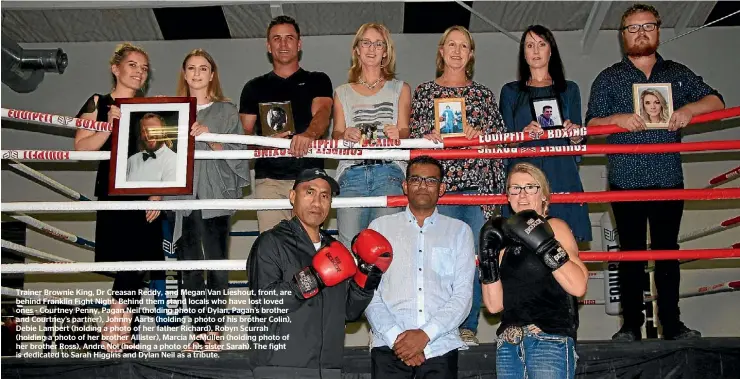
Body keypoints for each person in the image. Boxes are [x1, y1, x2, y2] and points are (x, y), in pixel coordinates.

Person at [585, 3, 724, 341]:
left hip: (668, 179)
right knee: (631, 256)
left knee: (667, 255)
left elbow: (717, 102)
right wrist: (616, 120)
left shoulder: (677, 73)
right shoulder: (609, 78)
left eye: (647, 25)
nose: (641, 32)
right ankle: (631, 326)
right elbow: (590, 125)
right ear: (623, 36)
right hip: (626, 180)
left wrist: (689, 109)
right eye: (633, 27)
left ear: (658, 30)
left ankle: (672, 325)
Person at [409, 25, 506, 346]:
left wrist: (483, 136)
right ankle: (438, 328)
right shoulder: (424, 93)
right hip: (440, 190)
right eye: (450, 44)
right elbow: (411, 135)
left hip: (478, 188)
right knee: (439, 261)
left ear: (471, 54)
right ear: (440, 51)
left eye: (463, 46)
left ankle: (468, 327)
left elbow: (501, 139)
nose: (456, 50)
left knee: (477, 260)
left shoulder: (483, 95)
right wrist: (427, 136)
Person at [246, 168, 390, 377]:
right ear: (293, 196)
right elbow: (266, 302)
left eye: (325, 196)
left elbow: (349, 312)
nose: (317, 202)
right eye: (309, 192)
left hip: (328, 368)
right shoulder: (271, 242)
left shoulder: (335, 249)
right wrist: (313, 278)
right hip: (280, 367)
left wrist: (367, 274)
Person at [73, 43, 163, 352]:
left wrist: (158, 193)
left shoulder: (149, 112)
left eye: (144, 67)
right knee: (129, 261)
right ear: (116, 68)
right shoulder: (99, 102)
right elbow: (82, 149)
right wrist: (110, 126)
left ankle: (120, 335)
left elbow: (162, 156)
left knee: (138, 266)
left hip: (145, 192)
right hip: (113, 190)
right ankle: (114, 330)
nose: (139, 72)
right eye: (133, 65)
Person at [365, 155, 475, 379]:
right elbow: (368, 291)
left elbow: (463, 295)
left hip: (440, 346)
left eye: (431, 180)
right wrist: (398, 339)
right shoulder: (380, 227)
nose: (423, 185)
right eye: (416, 179)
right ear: (405, 186)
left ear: (442, 188)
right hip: (388, 345)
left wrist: (424, 335)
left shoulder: (460, 231)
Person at [169, 49, 250, 352]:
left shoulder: (227, 111)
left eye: (203, 68)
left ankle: (214, 331)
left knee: (215, 264)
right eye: (191, 68)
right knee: (188, 266)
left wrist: (210, 138)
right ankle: (199, 331)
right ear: (184, 73)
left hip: (215, 195)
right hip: (182, 197)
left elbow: (239, 155)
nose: (197, 73)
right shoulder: (173, 110)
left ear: (212, 74)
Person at [480, 162, 588, 379]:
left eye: (530, 187)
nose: (522, 194)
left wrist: (545, 243)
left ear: (544, 195)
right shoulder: (502, 242)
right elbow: (494, 306)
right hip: (508, 343)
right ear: (508, 197)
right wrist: (488, 257)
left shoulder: (555, 227)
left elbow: (578, 286)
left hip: (548, 340)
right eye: (515, 188)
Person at [239, 15, 333, 233]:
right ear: (268, 46)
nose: (283, 44)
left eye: (289, 38)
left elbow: (323, 112)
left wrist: (309, 135)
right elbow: (243, 134)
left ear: (299, 44)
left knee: (308, 249)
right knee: (272, 250)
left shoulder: (317, 80)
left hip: (309, 178)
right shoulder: (254, 87)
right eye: (277, 38)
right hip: (269, 180)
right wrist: (263, 144)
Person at [499, 24, 592, 244]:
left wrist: (575, 134)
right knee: (521, 247)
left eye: (542, 44)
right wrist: (521, 135)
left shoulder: (570, 89)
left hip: (561, 171)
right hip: (524, 169)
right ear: (523, 53)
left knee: (564, 245)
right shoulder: (510, 91)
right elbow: (504, 142)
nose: (536, 51)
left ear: (551, 50)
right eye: (530, 45)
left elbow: (578, 139)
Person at [332, 22, 411, 249]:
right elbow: (336, 134)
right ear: (357, 49)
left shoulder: (400, 88)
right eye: (366, 42)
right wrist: (344, 133)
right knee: (349, 247)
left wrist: (399, 133)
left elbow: (405, 130)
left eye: (378, 44)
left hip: (389, 171)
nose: (371, 48)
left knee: (385, 247)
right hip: (352, 172)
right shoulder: (342, 92)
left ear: (386, 51)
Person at [126, 113, 178, 182]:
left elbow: (168, 192)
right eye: (144, 131)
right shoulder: (131, 161)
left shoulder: (174, 160)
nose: (149, 135)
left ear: (163, 132)